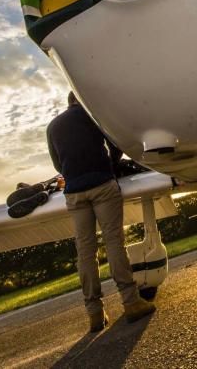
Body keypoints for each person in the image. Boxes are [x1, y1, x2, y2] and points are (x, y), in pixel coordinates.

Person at [47, 92, 155, 332]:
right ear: (81, 99)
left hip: (74, 193)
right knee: (114, 241)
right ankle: (131, 301)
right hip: (102, 186)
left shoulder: (53, 127)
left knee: (85, 251)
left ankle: (95, 313)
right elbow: (115, 144)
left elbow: (57, 165)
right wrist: (111, 165)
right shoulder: (93, 115)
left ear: (67, 103)